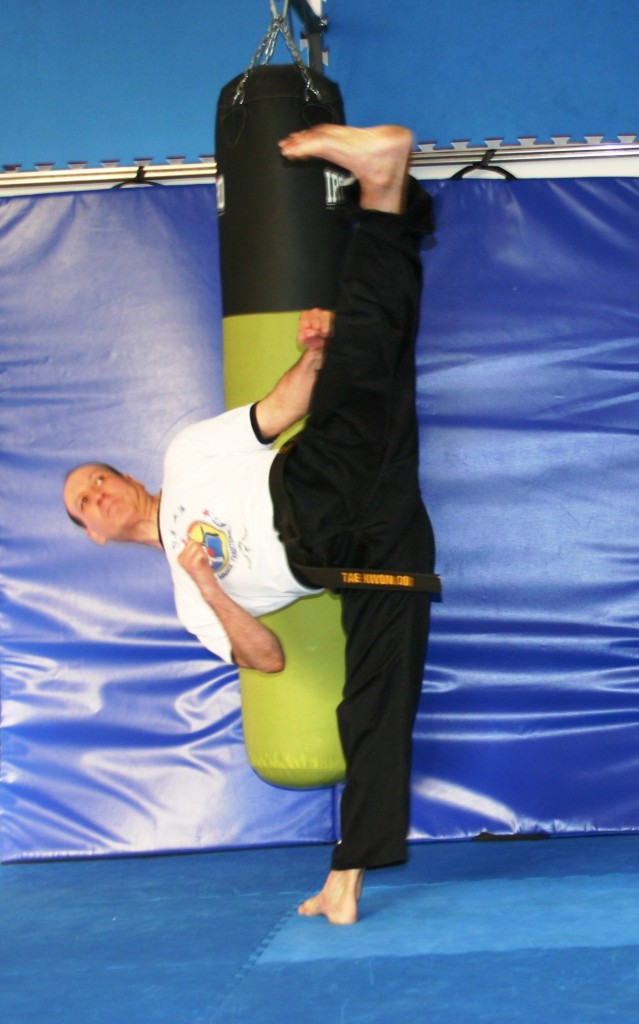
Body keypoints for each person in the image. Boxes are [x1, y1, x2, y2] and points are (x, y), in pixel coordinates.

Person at [64, 123, 437, 925]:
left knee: (360, 366)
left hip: (311, 491)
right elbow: (265, 657)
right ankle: (348, 877)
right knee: (374, 709)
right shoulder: (186, 604)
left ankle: (383, 192)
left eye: (98, 479)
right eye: (85, 504)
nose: (97, 495)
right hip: (362, 555)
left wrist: (312, 352)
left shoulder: (187, 453)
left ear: (129, 477)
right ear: (95, 535)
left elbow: (284, 406)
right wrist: (208, 586)